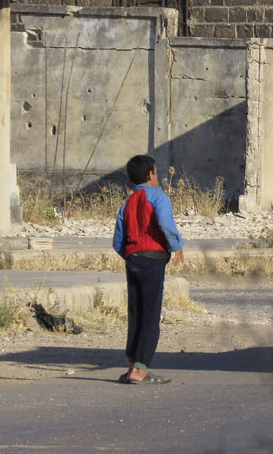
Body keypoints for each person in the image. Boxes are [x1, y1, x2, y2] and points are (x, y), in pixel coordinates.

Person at [113, 155, 184, 385]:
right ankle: (140, 370)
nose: (158, 175)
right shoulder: (158, 197)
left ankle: (132, 365)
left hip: (132, 259)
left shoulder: (127, 203)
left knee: (136, 314)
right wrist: (177, 245)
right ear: (150, 174)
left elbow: (117, 241)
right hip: (153, 258)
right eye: (155, 171)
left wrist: (132, 256)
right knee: (151, 314)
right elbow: (164, 223)